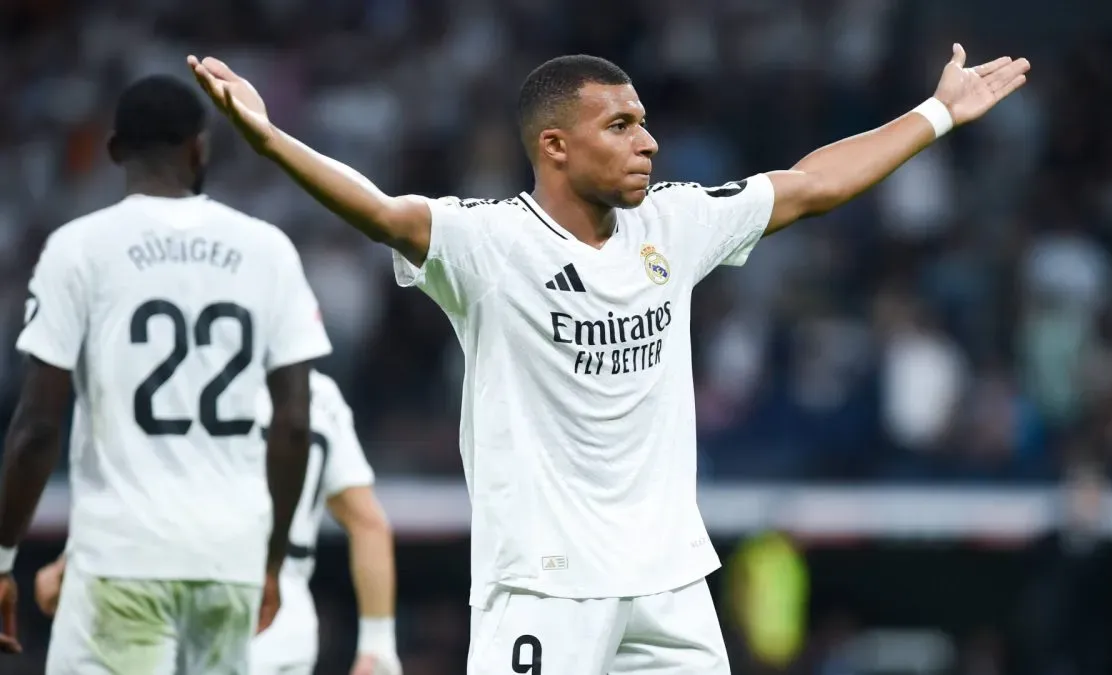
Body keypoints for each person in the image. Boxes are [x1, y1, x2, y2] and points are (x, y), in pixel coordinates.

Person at [187, 44, 1029, 674]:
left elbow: (812, 184)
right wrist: (271, 140)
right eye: (621, 126)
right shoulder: (490, 244)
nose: (648, 142)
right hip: (546, 586)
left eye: (645, 123)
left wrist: (938, 113)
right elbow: (382, 212)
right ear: (555, 145)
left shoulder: (675, 224)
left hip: (671, 585)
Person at [0, 74, 331, 673]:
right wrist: (270, 561)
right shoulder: (269, 250)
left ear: (114, 151)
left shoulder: (79, 248)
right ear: (200, 149)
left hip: (122, 556)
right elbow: (293, 424)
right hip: (229, 558)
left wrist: (2, 558)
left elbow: (37, 427)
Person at [32, 369, 404, 675]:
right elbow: (368, 522)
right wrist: (378, 644)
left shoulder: (185, 380)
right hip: (286, 629)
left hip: (199, 614)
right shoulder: (319, 393)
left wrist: (74, 559)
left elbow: (150, 498)